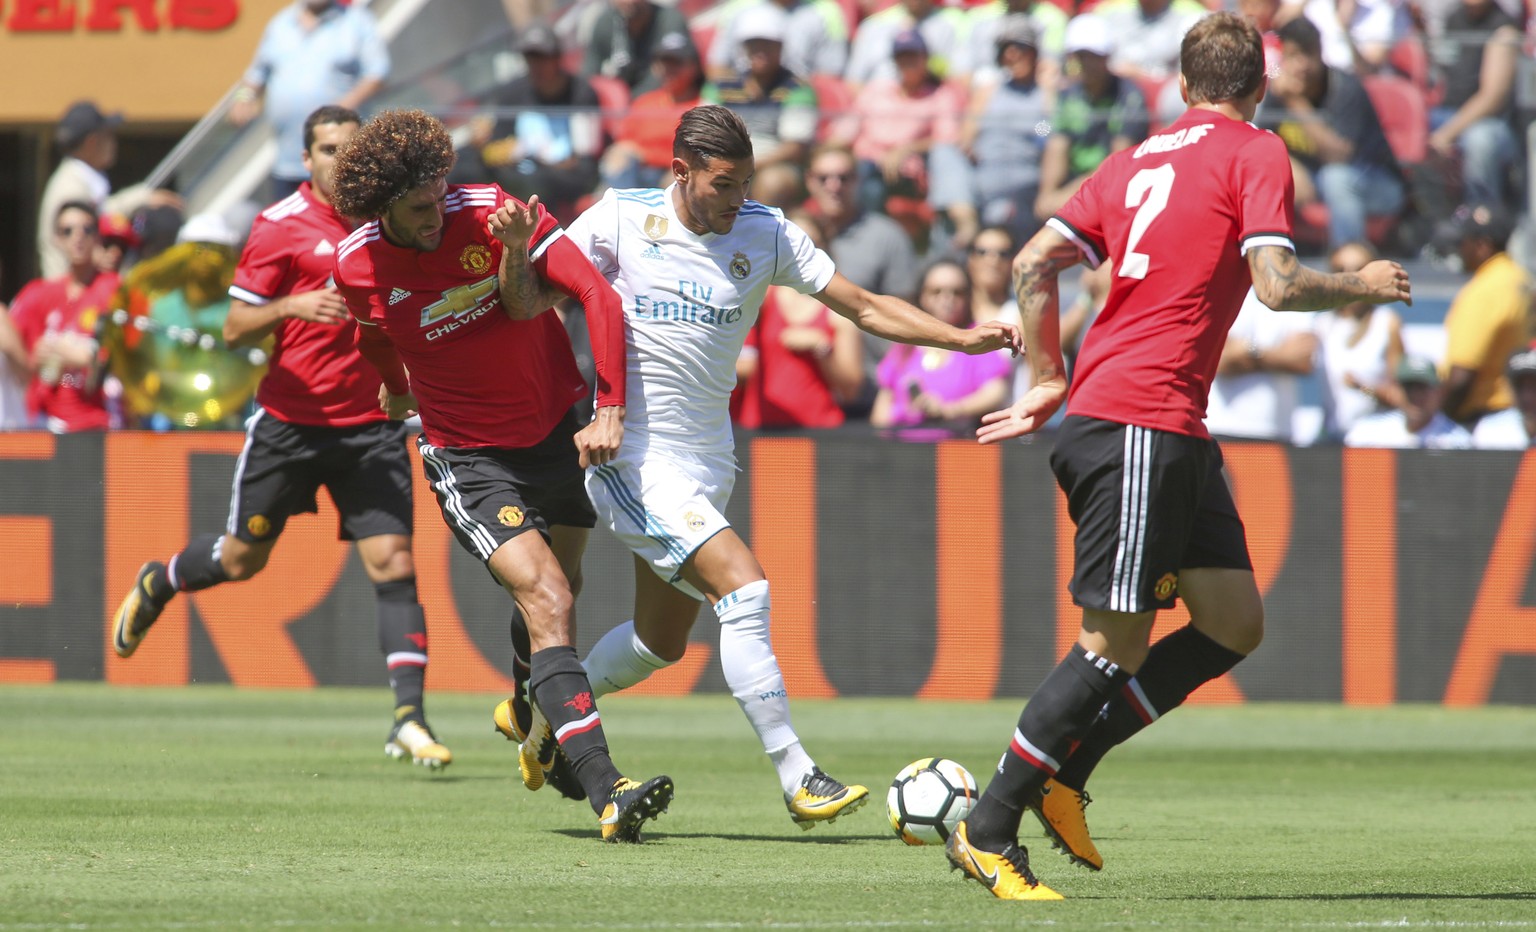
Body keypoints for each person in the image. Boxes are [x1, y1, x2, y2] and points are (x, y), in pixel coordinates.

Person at [950, 13, 1411, 900]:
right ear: (1260, 86)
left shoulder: (1133, 161)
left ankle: (1063, 773)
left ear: (1181, 82)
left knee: (1234, 622)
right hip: (1136, 421)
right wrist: (1359, 281)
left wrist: (1047, 373)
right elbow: (1275, 286)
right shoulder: (1256, 149)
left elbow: (1035, 260)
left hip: (1162, 423)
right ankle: (989, 824)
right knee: (1114, 640)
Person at [512, 105, 1020, 827]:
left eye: (746, 182)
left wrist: (963, 341)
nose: (736, 199)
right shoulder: (619, 218)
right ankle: (797, 774)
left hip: (709, 460)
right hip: (634, 455)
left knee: (659, 644)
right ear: (681, 173)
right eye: (723, 184)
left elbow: (865, 307)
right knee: (745, 593)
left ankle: (544, 712)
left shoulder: (765, 230)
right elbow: (534, 300)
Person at [327, 108, 672, 842]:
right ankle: (606, 788)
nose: (435, 215)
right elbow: (371, 332)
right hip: (468, 457)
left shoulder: (493, 215)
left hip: (556, 430)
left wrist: (609, 406)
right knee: (547, 595)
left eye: (440, 196)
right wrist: (393, 386)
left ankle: (528, 708)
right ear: (382, 203)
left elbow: (597, 296)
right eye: (420, 207)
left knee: (564, 589)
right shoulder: (356, 260)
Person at [107, 107, 456, 767]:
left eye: (349, 150)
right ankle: (162, 579)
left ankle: (409, 717)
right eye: (326, 149)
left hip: (371, 424)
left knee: (395, 564)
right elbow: (236, 327)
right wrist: (291, 305)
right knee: (241, 561)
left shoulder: (393, 219)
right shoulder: (277, 227)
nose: (337, 160)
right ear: (306, 158)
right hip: (291, 424)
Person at [1258, 16, 1404, 249]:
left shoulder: (1344, 87)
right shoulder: (1279, 87)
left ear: (1320, 51)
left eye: (1309, 54)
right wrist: (1287, 164)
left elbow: (1339, 156)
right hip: (1315, 178)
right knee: (1268, 172)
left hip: (1376, 184)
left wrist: (1296, 102)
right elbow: (1260, 141)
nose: (1302, 64)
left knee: (1335, 177)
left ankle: (1348, 260)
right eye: (1294, 56)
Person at [229, 0, 390, 202]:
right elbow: (255, 75)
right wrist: (243, 99)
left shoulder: (357, 22)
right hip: (288, 162)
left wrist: (341, 110)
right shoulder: (280, 24)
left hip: (341, 167)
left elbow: (377, 74)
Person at [456, 23, 602, 222]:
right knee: (463, 162)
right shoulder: (513, 92)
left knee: (533, 183)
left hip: (565, 177)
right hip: (519, 167)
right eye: (530, 59)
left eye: (543, 58)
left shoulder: (580, 93)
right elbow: (499, 140)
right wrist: (484, 143)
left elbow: (583, 159)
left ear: (557, 58)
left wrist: (541, 159)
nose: (536, 66)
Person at [732, 210, 864, 428]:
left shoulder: (837, 313)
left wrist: (821, 346)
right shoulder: (764, 298)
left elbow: (851, 390)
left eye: (811, 243)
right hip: (764, 430)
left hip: (819, 432)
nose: (800, 251)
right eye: (792, 243)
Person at [870, 258, 1013, 437]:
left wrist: (949, 410)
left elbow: (996, 393)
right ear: (922, 296)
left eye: (957, 292)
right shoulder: (905, 344)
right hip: (904, 454)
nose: (947, 299)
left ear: (969, 297)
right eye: (936, 292)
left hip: (958, 453)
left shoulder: (978, 339)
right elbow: (883, 407)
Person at [36, 101, 179, 280]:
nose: (113, 142)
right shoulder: (70, 187)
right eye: (108, 135)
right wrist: (142, 197)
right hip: (71, 295)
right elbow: (96, 217)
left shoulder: (78, 178)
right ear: (92, 142)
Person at [10, 201, 119, 433]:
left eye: (86, 230)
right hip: (46, 422)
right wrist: (34, 359)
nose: (77, 237)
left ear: (98, 236)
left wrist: (88, 357)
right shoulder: (37, 294)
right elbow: (16, 353)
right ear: (57, 239)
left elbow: (131, 356)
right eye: (67, 231)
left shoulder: (114, 290)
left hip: (98, 423)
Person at [701, 4, 820, 207]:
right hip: (724, 161)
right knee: (676, 180)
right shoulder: (720, 86)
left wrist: (746, 165)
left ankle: (764, 237)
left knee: (773, 183)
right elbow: (703, 131)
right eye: (754, 44)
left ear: (781, 47)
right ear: (744, 47)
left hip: (775, 164)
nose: (760, 51)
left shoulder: (797, 88)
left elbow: (794, 147)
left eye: (768, 44)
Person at [1034, 15, 1150, 222]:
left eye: (1094, 56)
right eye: (1081, 56)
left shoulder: (1130, 95)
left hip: (1116, 189)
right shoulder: (1068, 95)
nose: (1087, 63)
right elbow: (1057, 144)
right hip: (1073, 186)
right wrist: (1047, 194)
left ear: (1106, 56)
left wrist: (1067, 196)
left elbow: (1118, 159)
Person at [1434, 202, 1533, 428]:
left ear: (1482, 246)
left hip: (1484, 418)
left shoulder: (1484, 291)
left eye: (1463, 241)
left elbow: (1462, 375)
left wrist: (1440, 422)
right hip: (1517, 415)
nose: (1459, 248)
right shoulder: (1521, 280)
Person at [961, 15, 1051, 244]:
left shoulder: (1044, 94)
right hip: (985, 179)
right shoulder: (989, 91)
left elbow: (1047, 132)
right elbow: (967, 136)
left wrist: (1035, 127)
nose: (1013, 54)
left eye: (1020, 47)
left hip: (1027, 187)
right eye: (1007, 49)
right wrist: (973, 147)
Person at [1426, 0, 1521, 211]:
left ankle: (1481, 219)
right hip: (1445, 112)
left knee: (1481, 141)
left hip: (1490, 122)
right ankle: (1427, 217)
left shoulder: (1504, 28)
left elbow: (1492, 97)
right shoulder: (1454, 18)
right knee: (1409, 130)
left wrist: (1446, 134)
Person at [1314, 240, 1406, 440]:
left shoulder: (1387, 323)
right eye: (1341, 270)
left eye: (1358, 270)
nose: (1349, 278)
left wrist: (1364, 389)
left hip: (1374, 439)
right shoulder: (1322, 324)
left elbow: (1402, 395)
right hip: (1332, 438)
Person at [1204, 290, 1320, 443]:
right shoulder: (1221, 287)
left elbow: (1302, 361)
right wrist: (1280, 355)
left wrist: (1248, 351)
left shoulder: (1294, 290)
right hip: (1222, 427)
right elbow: (1220, 361)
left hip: (1277, 431)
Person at [600, 31, 705, 191]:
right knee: (617, 159)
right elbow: (624, 144)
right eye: (663, 62)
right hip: (636, 172)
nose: (668, 69)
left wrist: (646, 154)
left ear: (693, 66)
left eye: (676, 62)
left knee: (679, 178)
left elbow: (697, 157)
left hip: (673, 173)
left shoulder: (702, 106)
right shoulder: (644, 102)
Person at [1344, 355, 1473, 447]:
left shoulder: (1456, 443)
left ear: (1438, 391)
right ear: (1396, 390)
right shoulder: (1367, 434)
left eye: (1423, 388)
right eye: (1409, 387)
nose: (1416, 395)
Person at [705, 0, 850, 80]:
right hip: (739, 105)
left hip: (799, 104)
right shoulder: (737, 8)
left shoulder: (825, 11)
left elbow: (829, 77)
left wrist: (794, 96)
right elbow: (717, 67)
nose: (761, 51)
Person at [582, 0, 690, 93]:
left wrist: (632, 101)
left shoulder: (669, 20)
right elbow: (590, 72)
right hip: (615, 104)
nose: (629, 1)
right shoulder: (605, 22)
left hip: (659, 101)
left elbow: (671, 72)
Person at [1471, 342, 1536, 449]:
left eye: (1534, 386)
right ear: (1507, 387)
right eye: (1519, 386)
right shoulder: (1491, 430)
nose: (1527, 395)